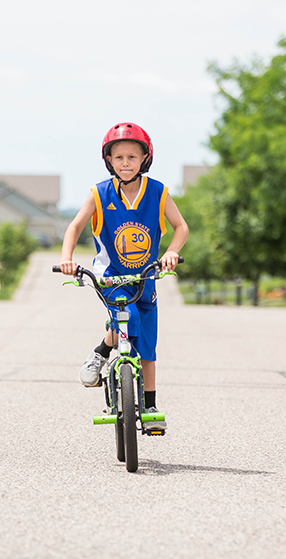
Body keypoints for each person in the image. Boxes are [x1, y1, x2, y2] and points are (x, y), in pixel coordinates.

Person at [58, 122, 189, 431]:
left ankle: (150, 402)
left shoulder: (158, 192)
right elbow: (75, 226)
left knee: (147, 342)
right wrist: (67, 259)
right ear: (109, 161)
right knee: (125, 318)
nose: (126, 163)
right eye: (119, 158)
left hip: (146, 275)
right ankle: (103, 354)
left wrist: (171, 251)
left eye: (132, 156)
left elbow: (181, 226)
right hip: (111, 274)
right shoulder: (99, 194)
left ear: (145, 158)